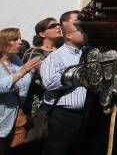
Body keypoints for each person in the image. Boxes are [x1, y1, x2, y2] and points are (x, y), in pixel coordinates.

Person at [40, 11, 87, 155]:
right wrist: (78, 75)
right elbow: (49, 82)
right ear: (68, 35)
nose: (84, 32)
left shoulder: (88, 53)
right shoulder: (56, 56)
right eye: (80, 29)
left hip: (85, 114)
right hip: (63, 116)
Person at [0, 28, 40, 154]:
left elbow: (22, 84)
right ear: (4, 43)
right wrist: (23, 71)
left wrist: (32, 71)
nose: (20, 42)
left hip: (16, 119)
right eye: (15, 39)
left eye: (20, 38)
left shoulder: (16, 59)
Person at [22, 18, 62, 119]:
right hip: (37, 102)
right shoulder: (33, 52)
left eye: (58, 24)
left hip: (58, 102)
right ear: (42, 34)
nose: (58, 27)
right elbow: (25, 78)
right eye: (52, 26)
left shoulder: (62, 51)